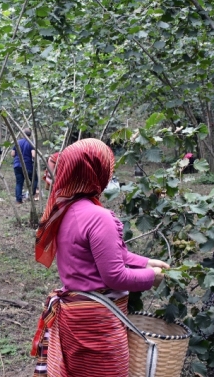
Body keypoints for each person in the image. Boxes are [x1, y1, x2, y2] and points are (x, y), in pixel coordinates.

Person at [31, 139, 169, 377]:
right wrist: (152, 277)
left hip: (75, 317)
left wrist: (145, 262)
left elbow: (111, 254)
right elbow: (115, 275)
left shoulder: (66, 210)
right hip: (97, 325)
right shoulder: (98, 216)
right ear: (97, 172)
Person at [11, 128, 38, 204]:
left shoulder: (17, 142)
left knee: (19, 183)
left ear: (23, 134)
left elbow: (12, 154)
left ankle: (18, 200)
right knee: (34, 180)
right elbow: (33, 155)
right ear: (30, 135)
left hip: (17, 165)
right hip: (27, 165)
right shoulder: (31, 143)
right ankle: (31, 195)